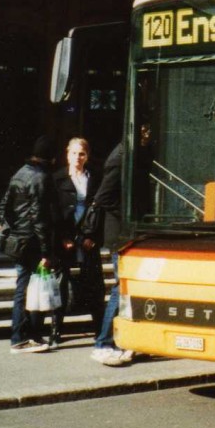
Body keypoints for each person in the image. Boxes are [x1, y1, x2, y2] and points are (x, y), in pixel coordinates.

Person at [0, 136, 57, 353]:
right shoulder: (40, 178)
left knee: (25, 287)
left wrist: (9, 226)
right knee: (29, 289)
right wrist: (45, 251)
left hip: (19, 240)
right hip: (31, 242)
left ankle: (25, 335)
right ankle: (22, 337)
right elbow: (40, 218)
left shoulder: (20, 173)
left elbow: (3, 206)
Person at [52, 137, 104, 349]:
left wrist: (94, 237)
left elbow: (101, 210)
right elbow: (53, 212)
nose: (77, 157)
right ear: (67, 154)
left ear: (87, 156)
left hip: (88, 238)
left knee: (94, 284)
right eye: (74, 153)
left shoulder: (94, 179)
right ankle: (56, 330)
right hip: (66, 239)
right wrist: (62, 238)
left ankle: (99, 329)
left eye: (81, 153)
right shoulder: (57, 179)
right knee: (60, 284)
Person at [87, 140, 133, 366]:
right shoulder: (120, 158)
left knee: (124, 286)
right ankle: (103, 342)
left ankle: (117, 341)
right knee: (120, 286)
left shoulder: (125, 154)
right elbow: (103, 197)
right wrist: (126, 214)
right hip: (120, 236)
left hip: (125, 235)